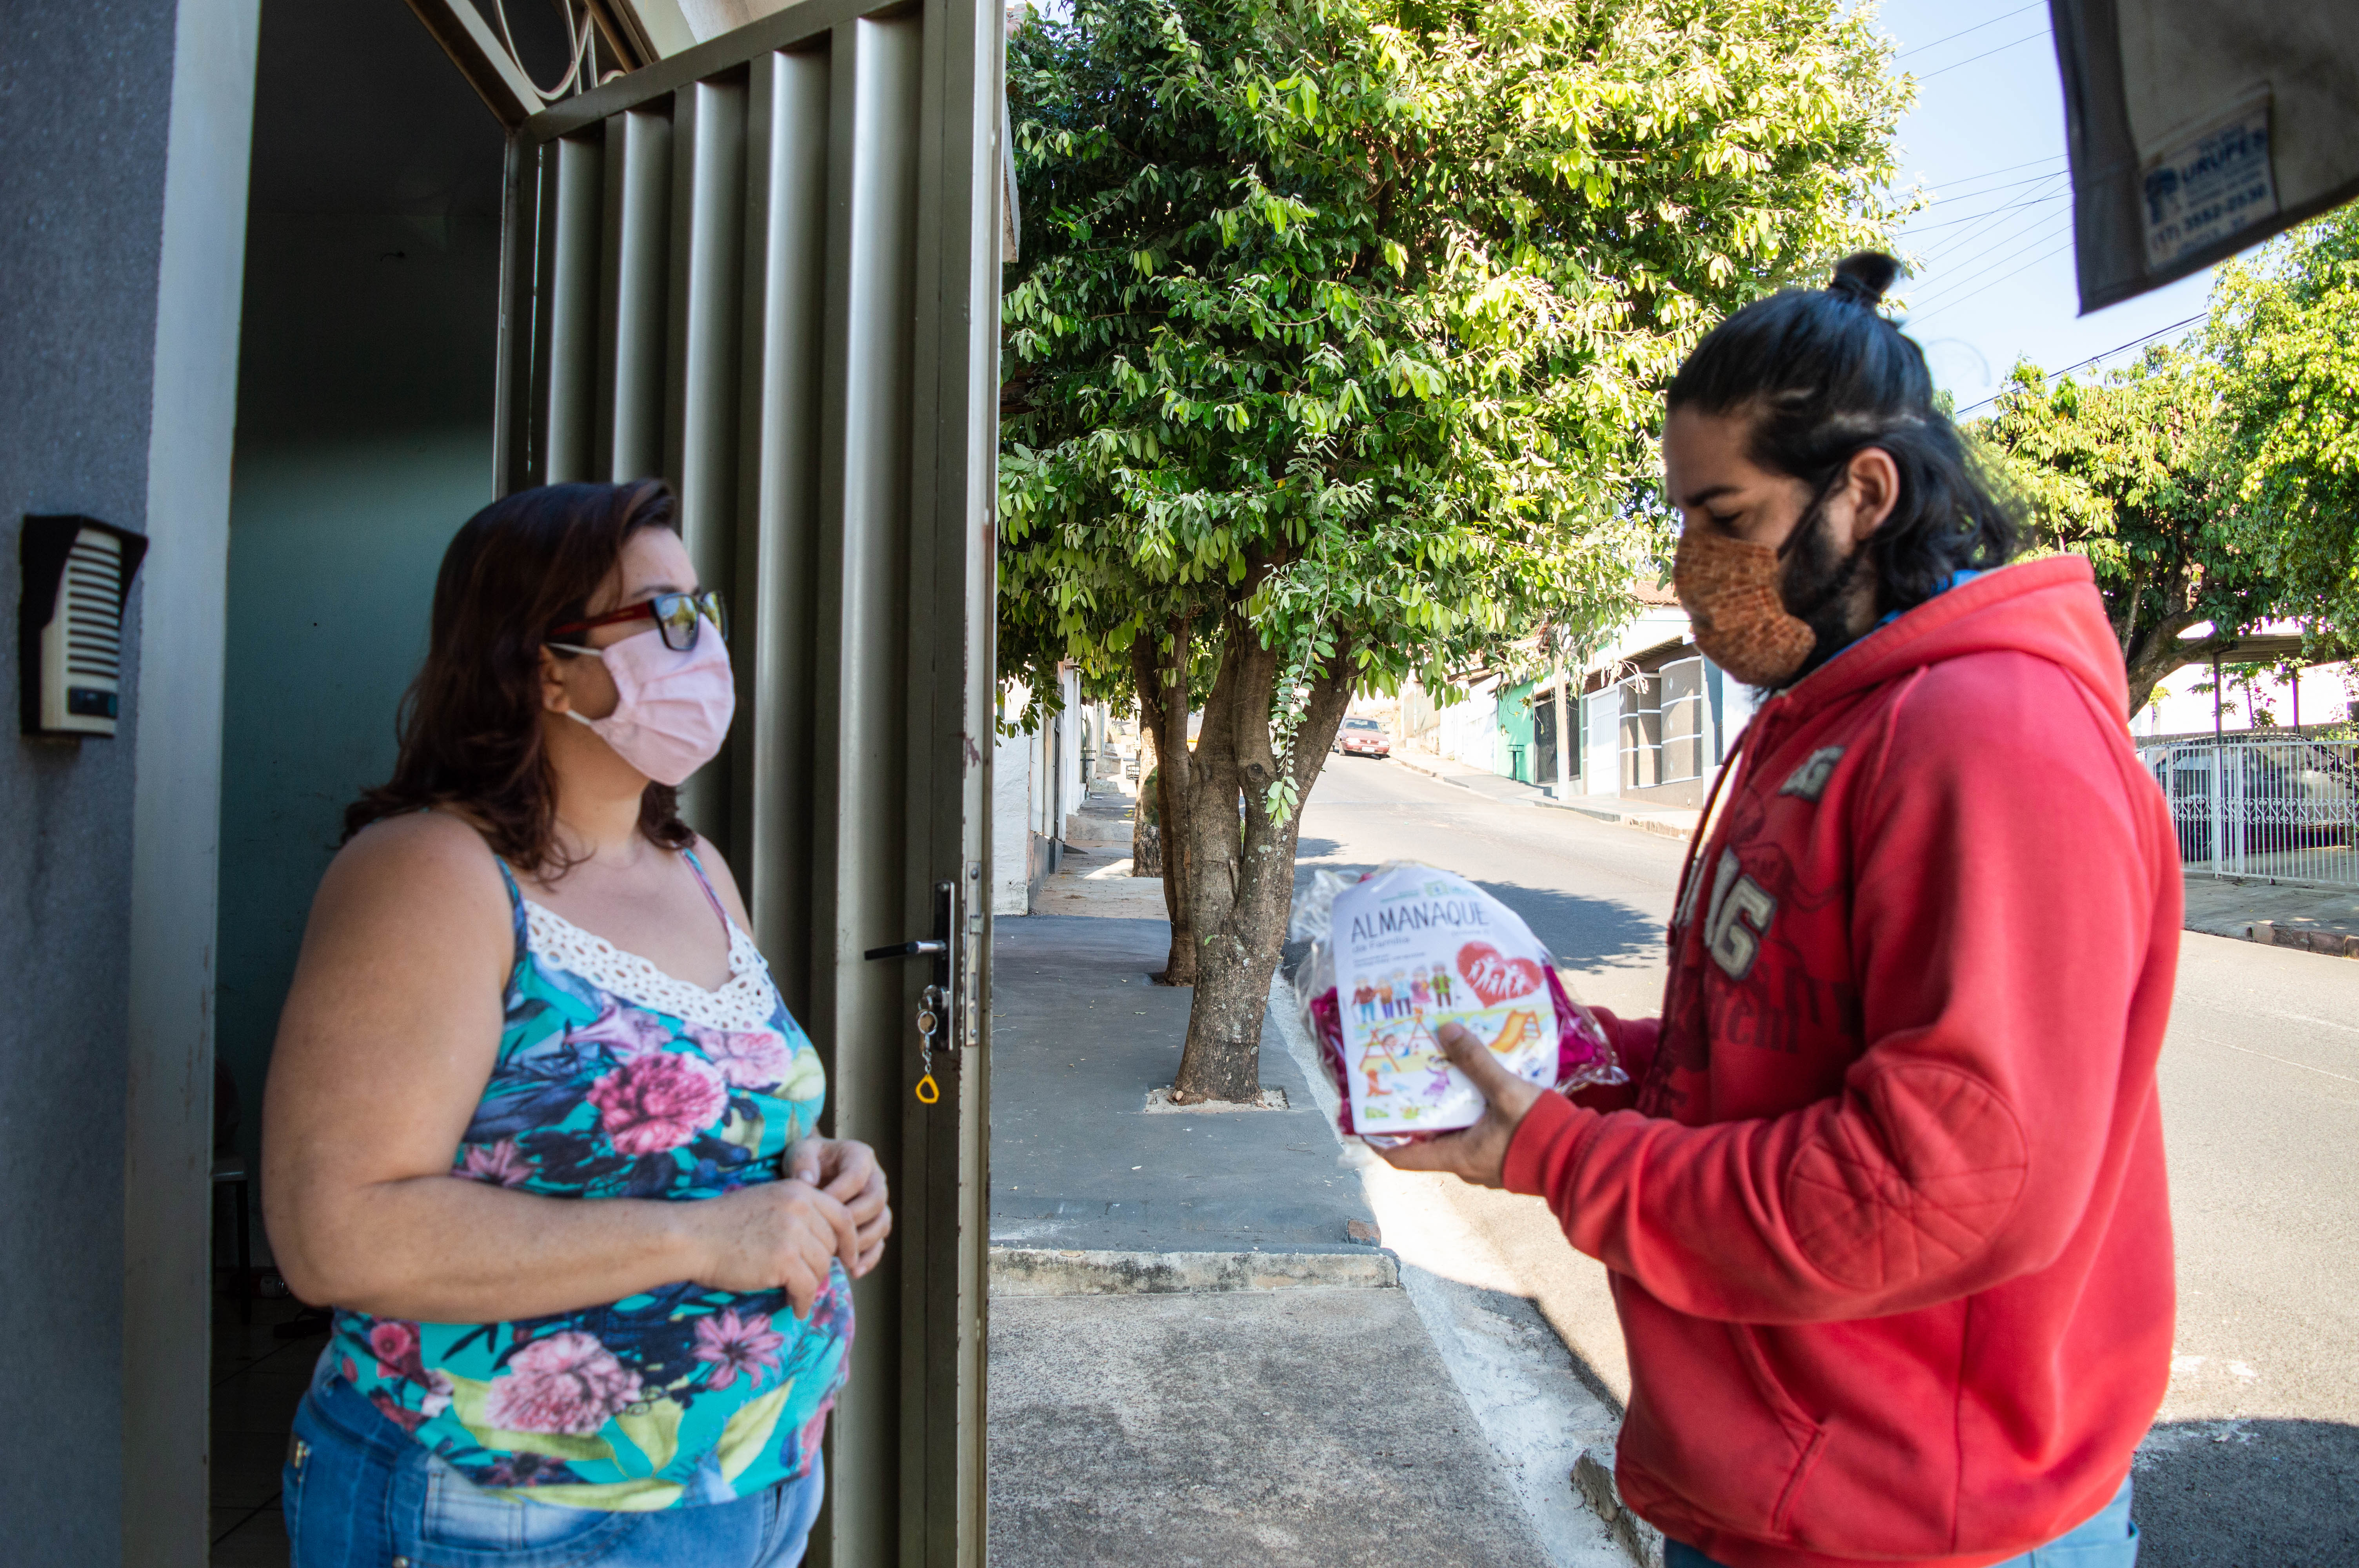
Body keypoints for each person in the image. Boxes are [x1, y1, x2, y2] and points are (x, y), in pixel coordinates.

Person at [1388, 254, 2174, 1568]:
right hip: (1773, 1494)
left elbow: (1938, 1186)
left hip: (1920, 1523)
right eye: (1682, 520)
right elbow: (1768, 1052)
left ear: (1864, 495)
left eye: (1727, 516)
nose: (1692, 567)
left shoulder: (1993, 740)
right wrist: (1561, 1053)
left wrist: (1560, 1157)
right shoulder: (1835, 721)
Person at [262, 481, 890, 1567]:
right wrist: (706, 1237)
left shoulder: (696, 869)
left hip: (751, 1483)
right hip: (507, 1515)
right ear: (545, 666)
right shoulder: (431, 875)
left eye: (705, 610)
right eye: (664, 615)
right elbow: (335, 1235)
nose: (704, 648)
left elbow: (711, 1124)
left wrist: (820, 1171)